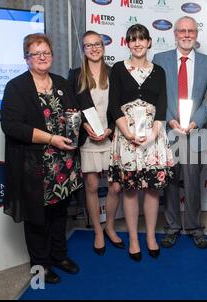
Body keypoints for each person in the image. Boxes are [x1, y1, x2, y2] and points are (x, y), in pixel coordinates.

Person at [0, 33, 82, 284]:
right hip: (35, 165)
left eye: (46, 52)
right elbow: (11, 126)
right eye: (36, 53)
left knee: (59, 213)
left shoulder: (61, 82)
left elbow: (73, 112)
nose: (42, 57)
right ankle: (40, 265)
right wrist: (50, 139)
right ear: (27, 58)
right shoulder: (17, 87)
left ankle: (59, 255)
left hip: (63, 164)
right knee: (37, 218)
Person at [108, 24, 174, 262]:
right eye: (132, 40)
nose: (137, 44)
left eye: (141, 39)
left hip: (153, 138)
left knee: (153, 189)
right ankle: (134, 238)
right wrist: (127, 133)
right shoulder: (117, 69)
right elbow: (113, 105)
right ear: (127, 43)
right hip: (127, 138)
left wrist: (154, 135)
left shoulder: (159, 71)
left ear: (149, 42)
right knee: (131, 189)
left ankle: (150, 237)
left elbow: (162, 106)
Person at [152, 16, 207, 249]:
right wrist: (170, 120)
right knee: (169, 181)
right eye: (182, 31)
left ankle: (193, 227)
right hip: (168, 130)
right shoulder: (160, 60)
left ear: (196, 34)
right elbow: (157, 93)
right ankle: (171, 227)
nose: (187, 34)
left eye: (191, 31)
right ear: (175, 34)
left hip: (194, 131)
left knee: (191, 182)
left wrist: (195, 123)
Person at [68, 31, 124, 256]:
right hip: (88, 139)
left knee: (115, 186)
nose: (93, 48)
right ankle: (98, 231)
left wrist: (110, 128)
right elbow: (71, 107)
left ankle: (110, 226)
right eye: (88, 45)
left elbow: (120, 105)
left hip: (111, 137)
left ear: (103, 46)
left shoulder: (114, 73)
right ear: (83, 49)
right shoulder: (75, 75)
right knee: (91, 186)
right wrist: (84, 126)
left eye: (97, 44)